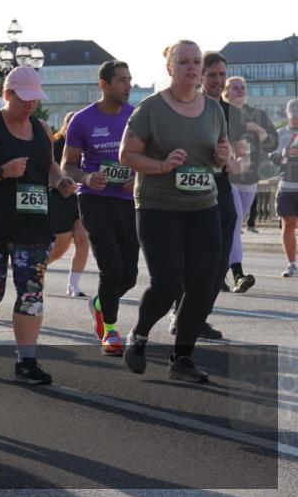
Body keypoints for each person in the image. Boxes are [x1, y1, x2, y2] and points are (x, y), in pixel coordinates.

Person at [119, 40, 229, 383]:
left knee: (201, 284)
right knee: (167, 283)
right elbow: (127, 155)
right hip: (159, 206)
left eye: (196, 62)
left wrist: (222, 157)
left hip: (203, 206)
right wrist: (162, 165)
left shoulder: (213, 109)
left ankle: (182, 359)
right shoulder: (151, 108)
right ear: (170, 67)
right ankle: (139, 334)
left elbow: (218, 157)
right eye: (184, 62)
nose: (192, 67)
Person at [0, 66, 76, 385]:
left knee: (31, 292)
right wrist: (3, 171)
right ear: (8, 94)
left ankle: (26, 361)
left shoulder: (41, 128)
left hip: (33, 225)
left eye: (35, 98)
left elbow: (49, 166)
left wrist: (61, 181)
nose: (31, 104)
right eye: (25, 98)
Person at [167, 52, 246, 341]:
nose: (218, 80)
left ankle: (197, 317)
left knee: (218, 264)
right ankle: (180, 315)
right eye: (212, 74)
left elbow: (241, 155)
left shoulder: (231, 113)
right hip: (186, 193)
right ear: (200, 76)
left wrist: (234, 162)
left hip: (220, 191)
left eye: (222, 74)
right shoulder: (185, 107)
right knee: (192, 261)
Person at [61, 60, 138, 356]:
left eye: (129, 79)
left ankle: (99, 304)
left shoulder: (136, 117)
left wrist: (138, 177)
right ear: (104, 85)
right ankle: (110, 330)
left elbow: (148, 156)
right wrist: (86, 177)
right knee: (112, 268)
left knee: (129, 275)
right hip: (95, 200)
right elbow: (67, 165)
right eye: (121, 80)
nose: (128, 85)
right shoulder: (83, 120)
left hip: (128, 201)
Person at [224, 75, 277, 291]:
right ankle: (237, 274)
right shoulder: (220, 112)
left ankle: (219, 272)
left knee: (233, 228)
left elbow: (272, 145)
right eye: (234, 87)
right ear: (225, 92)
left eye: (242, 87)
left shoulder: (258, 115)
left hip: (250, 178)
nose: (240, 90)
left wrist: (260, 131)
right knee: (235, 222)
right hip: (226, 178)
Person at [47, 111, 90, 297]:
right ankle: (36, 269)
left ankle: (73, 285)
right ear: (66, 126)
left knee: (82, 240)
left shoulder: (87, 145)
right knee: (60, 247)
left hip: (81, 198)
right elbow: (48, 170)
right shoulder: (56, 144)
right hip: (60, 200)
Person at [273, 99, 298, 277]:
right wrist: (285, 152)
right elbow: (272, 159)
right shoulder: (280, 134)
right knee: (288, 224)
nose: (296, 119)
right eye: (293, 116)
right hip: (287, 186)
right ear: (288, 115)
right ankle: (292, 264)